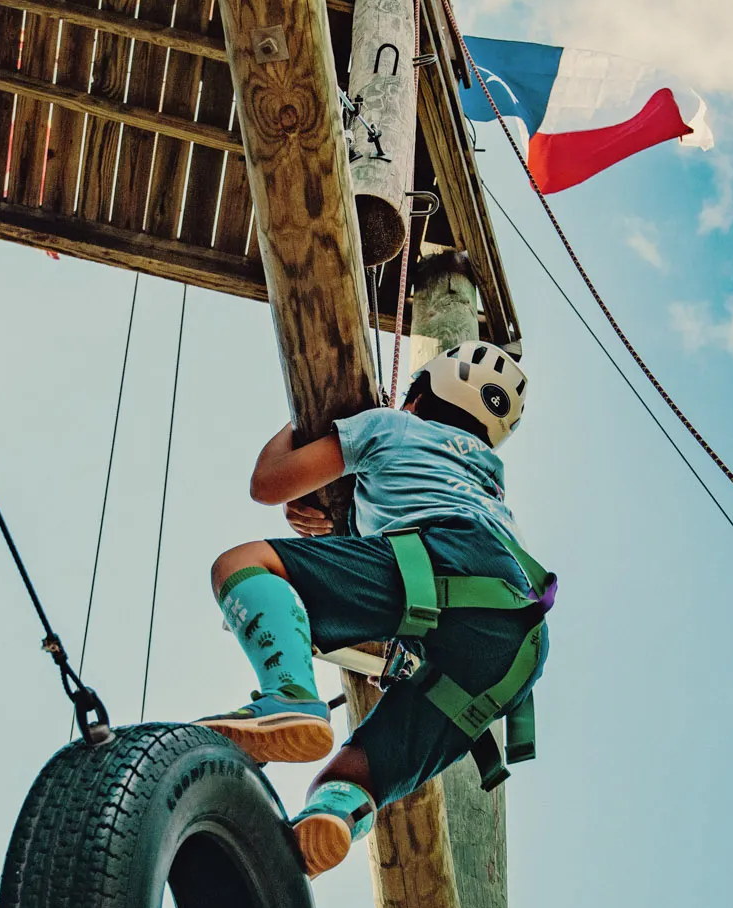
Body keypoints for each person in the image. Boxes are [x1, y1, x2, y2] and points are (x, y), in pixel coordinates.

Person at [200, 342, 552, 877]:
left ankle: (290, 697)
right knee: (349, 777)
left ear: (414, 397)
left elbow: (268, 483)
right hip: (515, 644)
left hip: (439, 568)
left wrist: (312, 420)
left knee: (243, 563)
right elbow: (404, 514)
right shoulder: (488, 477)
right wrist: (338, 527)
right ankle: (331, 822)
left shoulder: (389, 425)